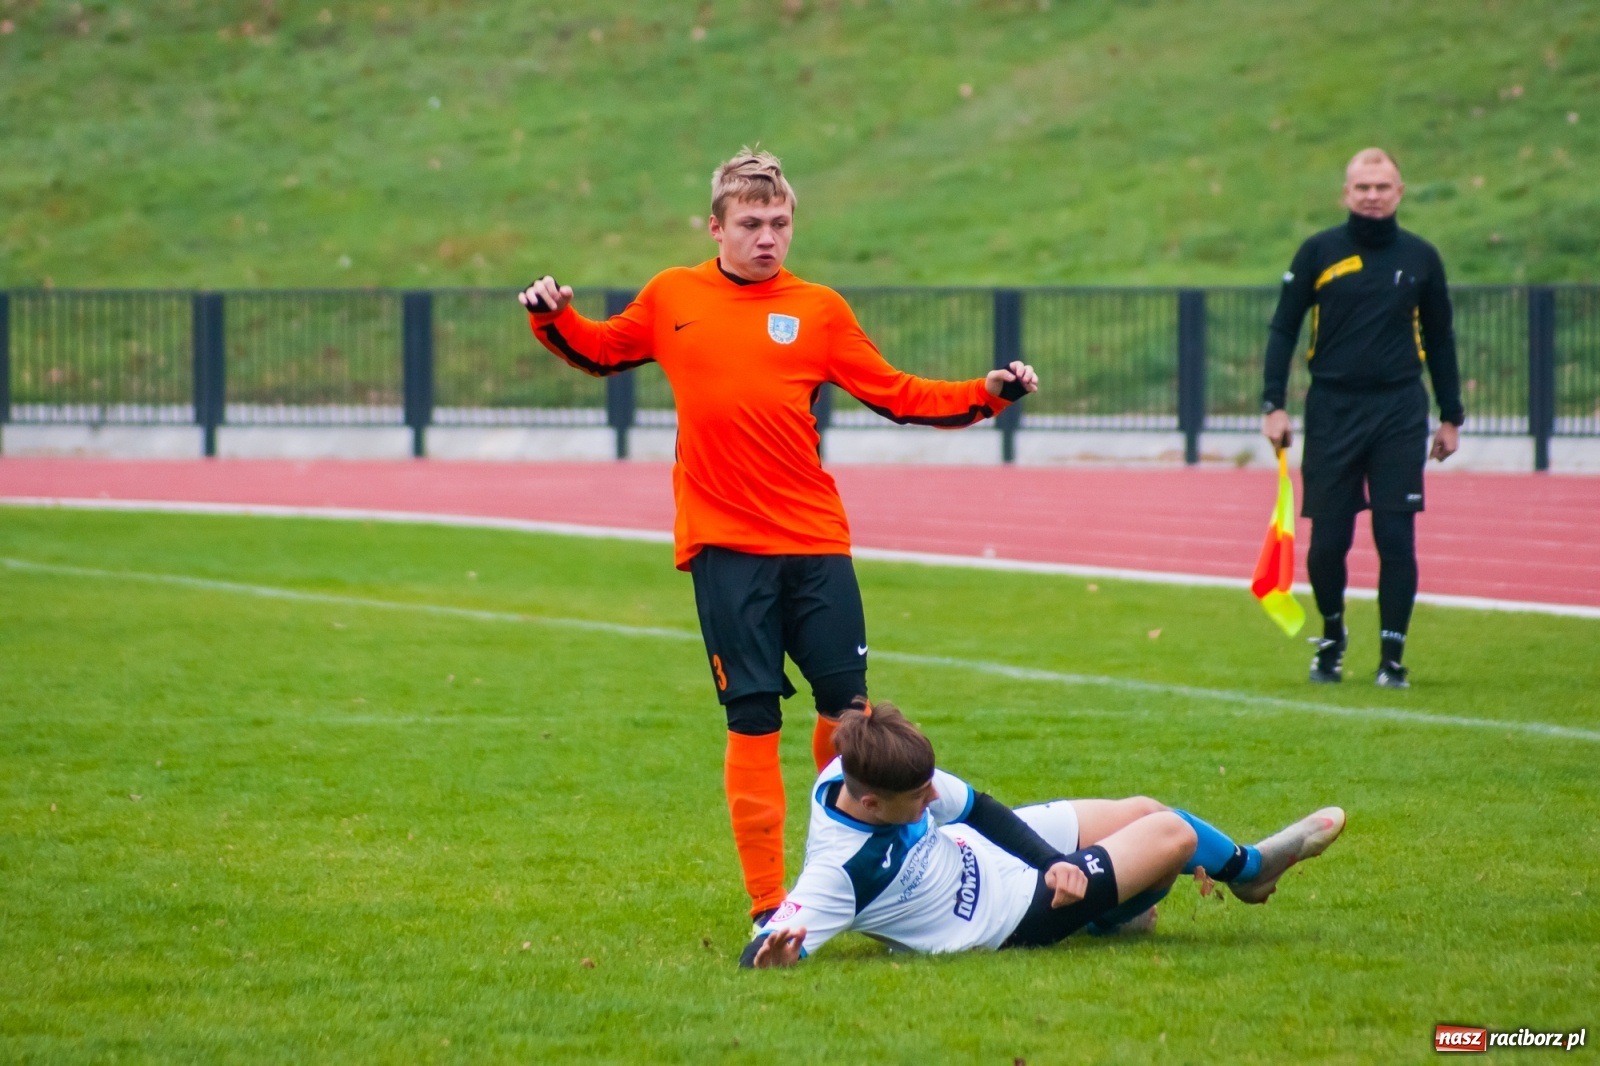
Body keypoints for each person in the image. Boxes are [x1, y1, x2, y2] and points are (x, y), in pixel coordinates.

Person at [518, 149, 1039, 926]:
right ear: (717, 228)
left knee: (852, 714)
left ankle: (855, 869)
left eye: (781, 223)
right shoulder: (671, 295)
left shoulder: (820, 309)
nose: (769, 237)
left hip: (815, 542)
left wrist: (984, 393)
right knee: (753, 719)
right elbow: (598, 351)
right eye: (752, 224)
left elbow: (895, 394)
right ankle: (770, 905)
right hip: (725, 549)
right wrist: (552, 314)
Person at [742, 699, 1345, 967]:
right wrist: (769, 959)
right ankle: (1251, 869)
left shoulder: (865, 768)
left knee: (1142, 807)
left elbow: (978, 807)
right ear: (870, 803)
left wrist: (1052, 858)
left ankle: (1116, 913)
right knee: (1173, 836)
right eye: (919, 797)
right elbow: (765, 946)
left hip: (988, 853)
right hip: (1005, 913)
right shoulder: (839, 874)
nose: (934, 797)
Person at [1260, 147, 1465, 689]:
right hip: (1332, 408)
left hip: (1399, 409)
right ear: (1345, 194)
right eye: (1362, 188)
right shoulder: (1318, 251)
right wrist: (1272, 404)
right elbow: (1283, 328)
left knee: (1396, 537)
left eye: (1382, 187)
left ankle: (1392, 657)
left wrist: (1451, 416)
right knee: (1328, 542)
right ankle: (1332, 638)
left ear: (1399, 192)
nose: (1372, 196)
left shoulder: (1421, 257)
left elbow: (1440, 337)